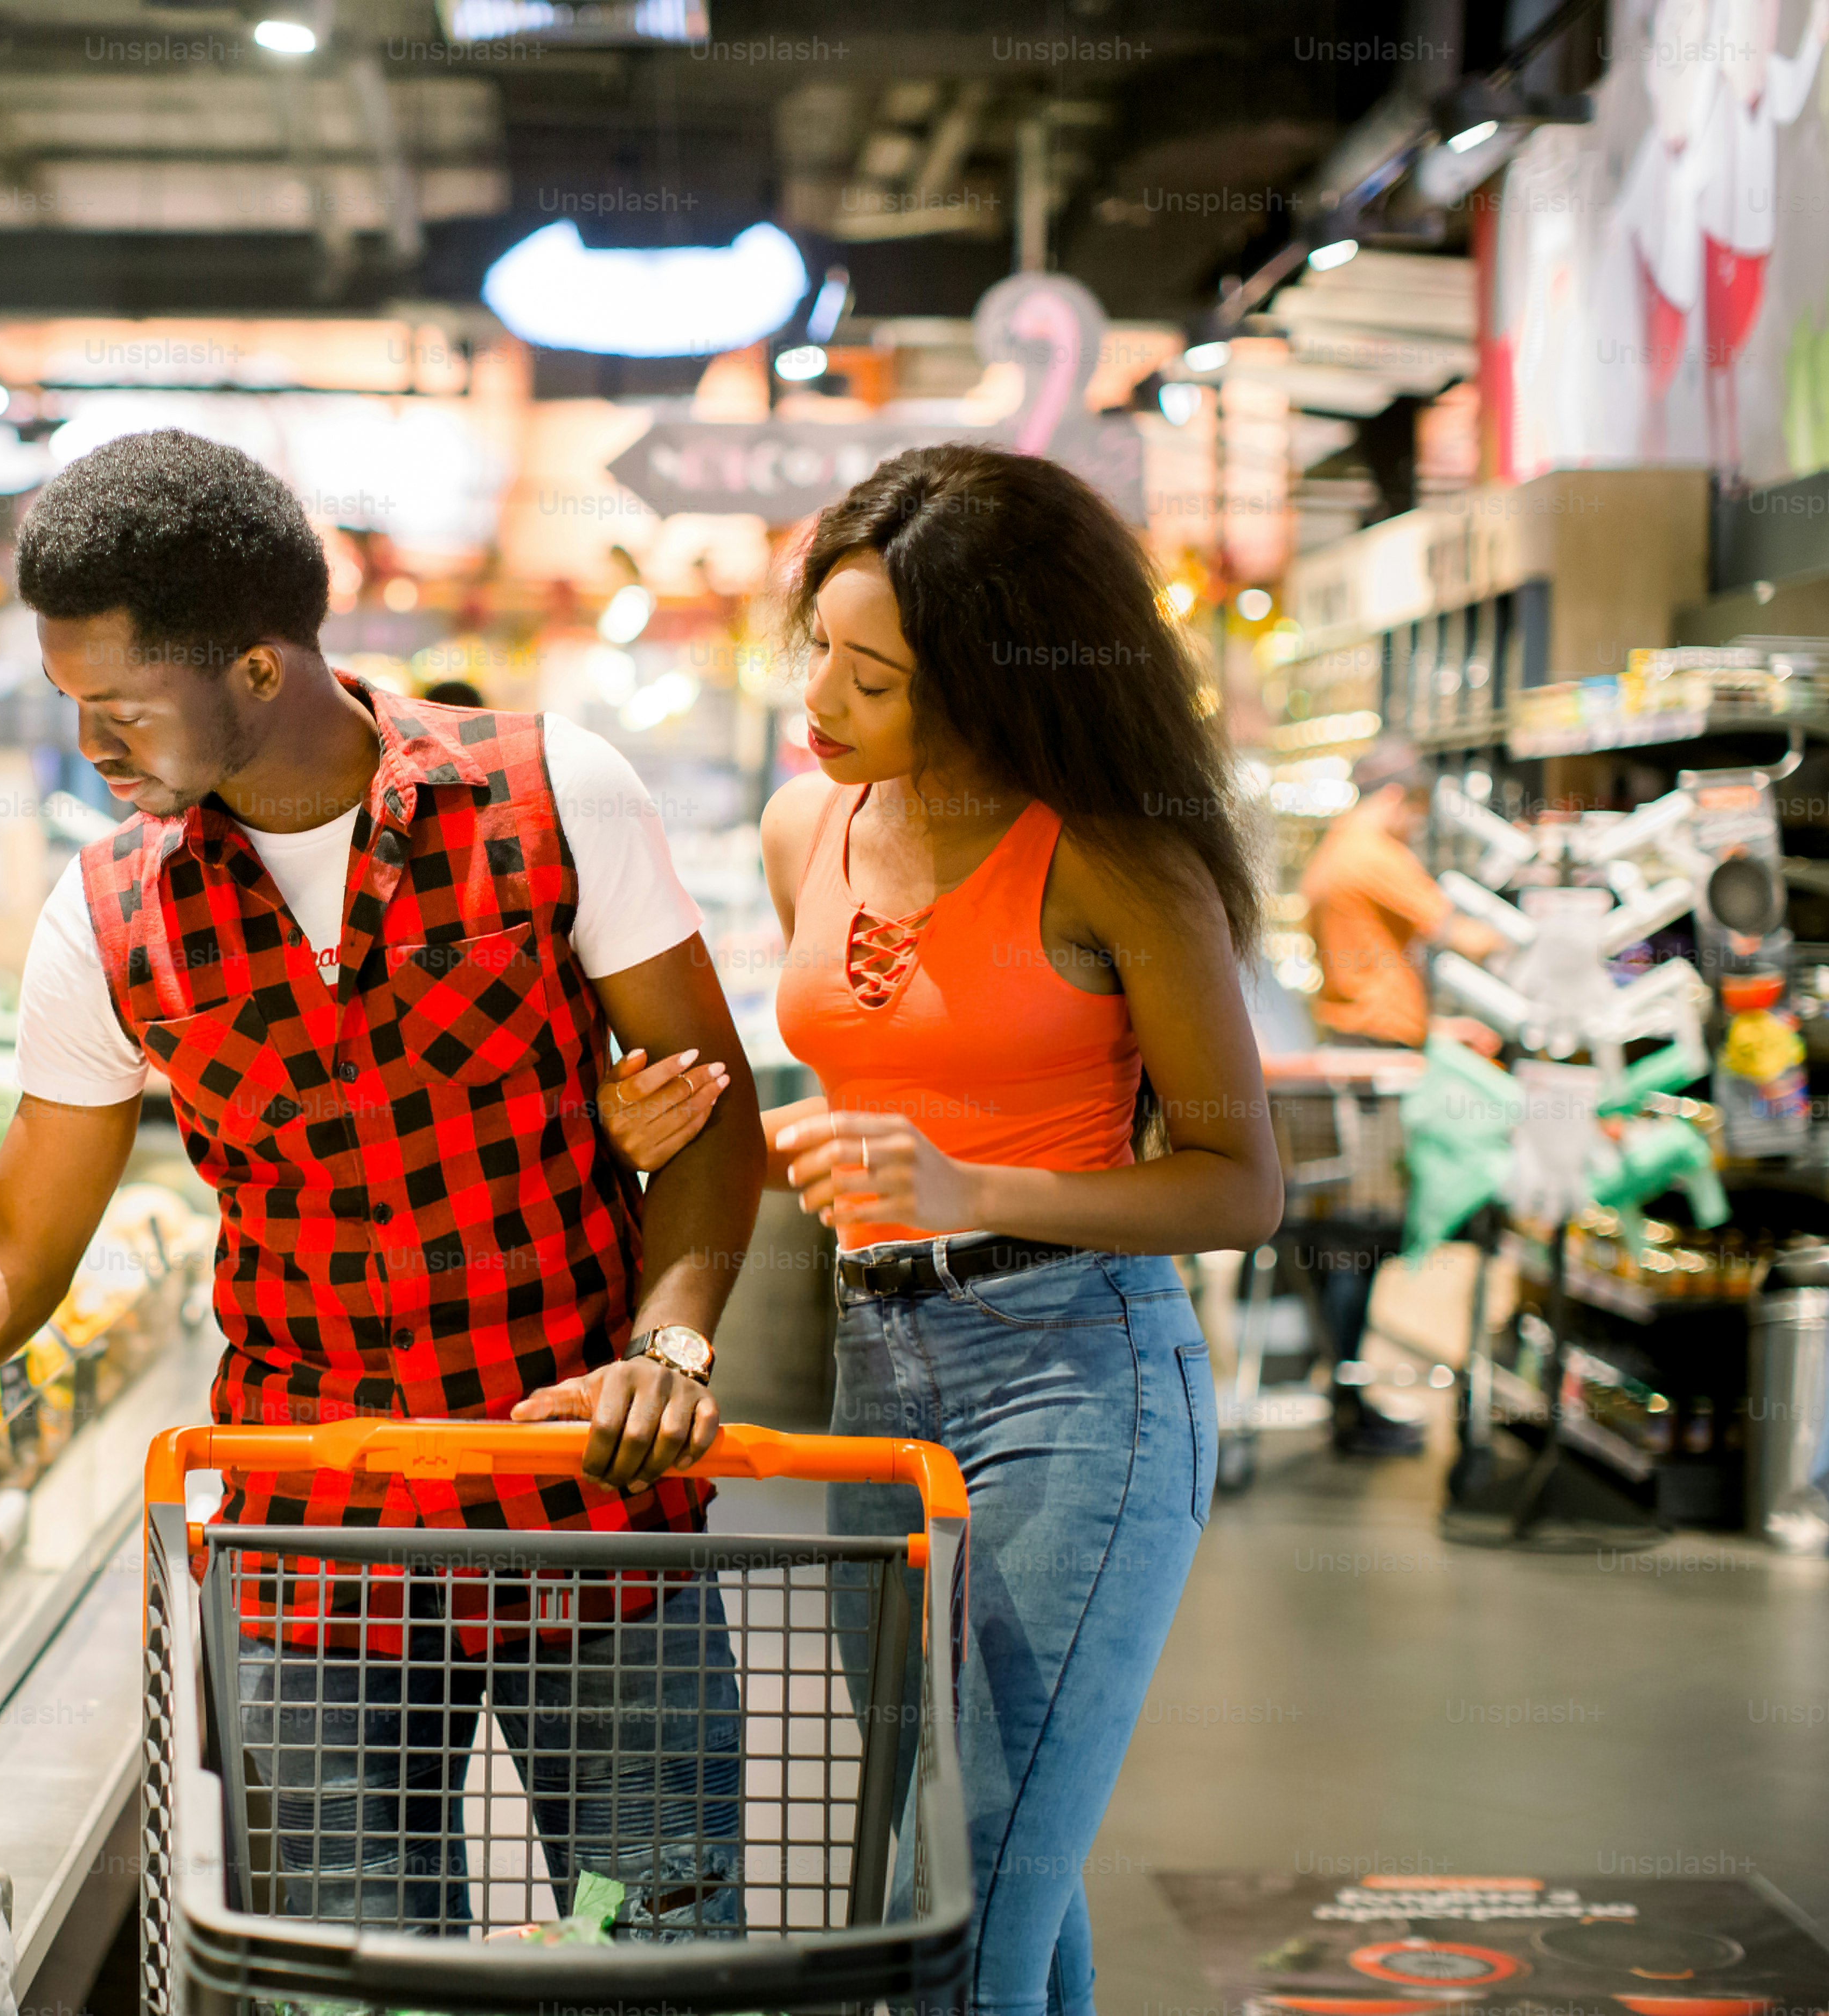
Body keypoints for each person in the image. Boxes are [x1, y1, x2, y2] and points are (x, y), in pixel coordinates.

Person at [0, 429, 768, 1932]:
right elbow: (15, 1248)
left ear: (260, 670)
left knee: (653, 1953)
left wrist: (669, 1339)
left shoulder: (545, 798)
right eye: (71, 704)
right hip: (310, 1546)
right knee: (336, 1971)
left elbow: (715, 1117)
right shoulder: (106, 913)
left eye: (120, 707)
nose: (93, 746)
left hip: (588, 1515)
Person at [600, 443, 1281, 2016]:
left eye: (875, 676)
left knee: (954, 1902)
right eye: (818, 652)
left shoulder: (1118, 862)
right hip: (877, 1370)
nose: (820, 699)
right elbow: (865, 1112)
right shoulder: (803, 831)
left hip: (1080, 1379)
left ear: (993, 682)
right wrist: (662, 1126)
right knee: (974, 1873)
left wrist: (980, 1190)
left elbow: (1237, 1183)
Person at [1293, 736, 1510, 1451]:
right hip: (1376, 1074)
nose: (1416, 828)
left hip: (1356, 1052)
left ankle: (1344, 1396)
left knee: (1349, 1234)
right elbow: (1463, 935)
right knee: (1365, 1232)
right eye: (1415, 814)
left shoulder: (1334, 851)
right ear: (1396, 798)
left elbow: (1370, 972)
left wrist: (1433, 1023)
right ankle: (1350, 1409)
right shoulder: (1374, 853)